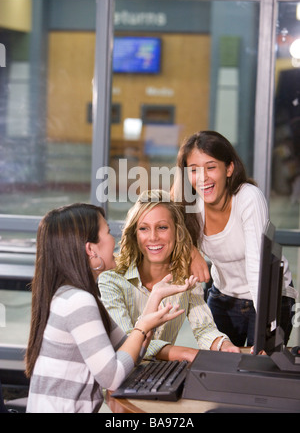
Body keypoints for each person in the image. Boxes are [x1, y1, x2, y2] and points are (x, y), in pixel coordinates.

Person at [25, 203, 194, 413]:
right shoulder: (78, 301)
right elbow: (112, 377)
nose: (114, 240)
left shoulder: (78, 295)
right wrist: (142, 327)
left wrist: (155, 297)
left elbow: (127, 348)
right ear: (91, 249)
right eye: (108, 232)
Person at [172, 130, 297, 347]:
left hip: (269, 295)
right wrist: (191, 251)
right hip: (224, 297)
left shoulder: (248, 197)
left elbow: (258, 266)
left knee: (260, 368)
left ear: (229, 168)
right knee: (219, 364)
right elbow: (164, 216)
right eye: (193, 170)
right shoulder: (190, 205)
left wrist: (266, 330)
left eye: (211, 167)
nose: (203, 178)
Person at [99, 189, 239, 362]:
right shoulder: (112, 279)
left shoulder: (186, 277)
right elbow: (126, 343)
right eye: (144, 228)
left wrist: (223, 346)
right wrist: (184, 353)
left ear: (177, 232)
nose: (153, 237)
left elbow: (204, 328)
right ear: (135, 234)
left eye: (162, 227)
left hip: (162, 373)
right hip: (120, 376)